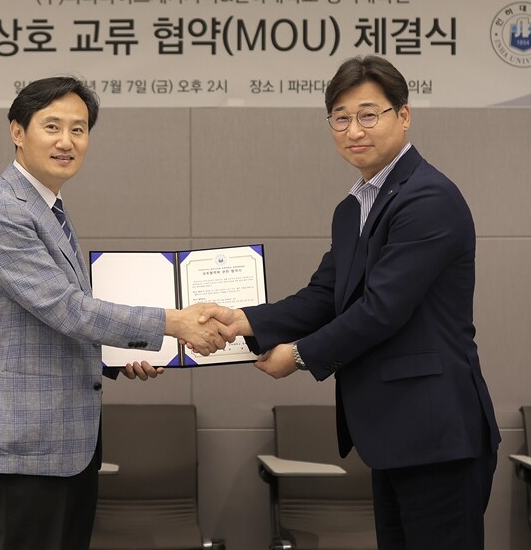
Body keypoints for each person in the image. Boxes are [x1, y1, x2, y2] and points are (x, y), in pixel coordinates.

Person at [211, 55, 500, 549]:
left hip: (437, 433)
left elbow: (381, 310)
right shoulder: (353, 208)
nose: (354, 130)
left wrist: (298, 355)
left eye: (369, 114)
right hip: (393, 433)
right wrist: (241, 320)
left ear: (403, 115)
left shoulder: (428, 197)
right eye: (341, 118)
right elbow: (325, 295)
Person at [0, 75, 232, 550]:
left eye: (79, 129)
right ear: (17, 131)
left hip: (66, 442)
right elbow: (67, 309)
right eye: (52, 126)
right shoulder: (0, 211)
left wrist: (112, 358)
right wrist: (174, 323)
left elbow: (50, 324)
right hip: (30, 446)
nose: (66, 141)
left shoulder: (48, 207)